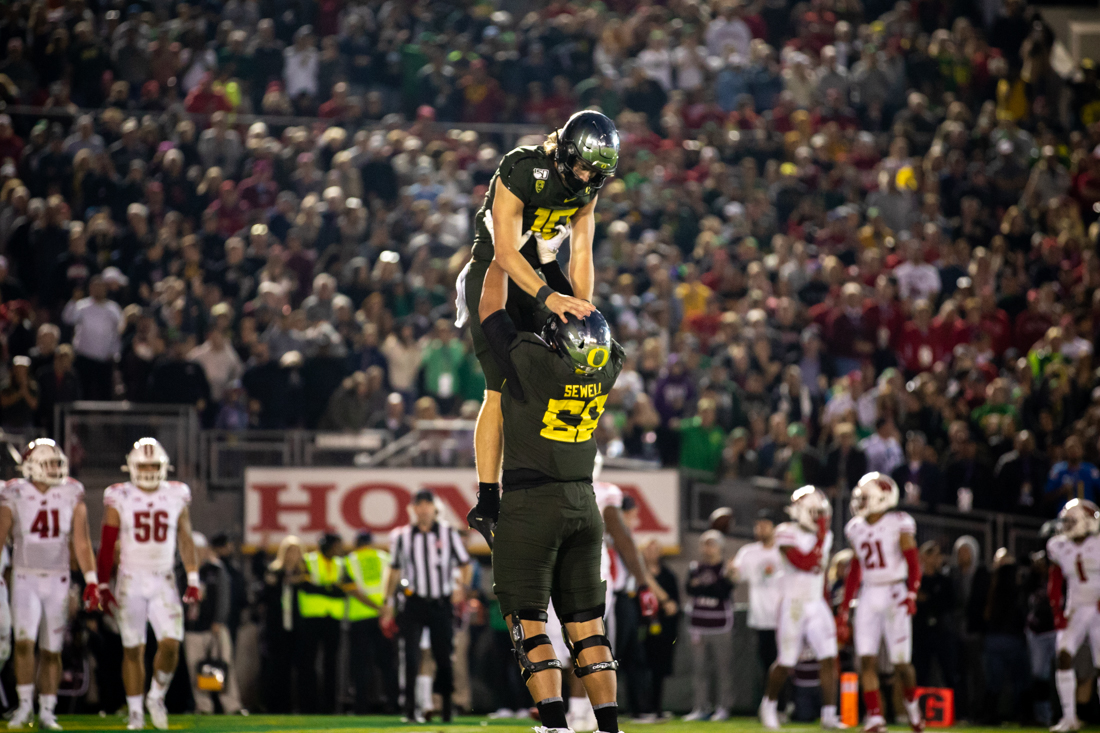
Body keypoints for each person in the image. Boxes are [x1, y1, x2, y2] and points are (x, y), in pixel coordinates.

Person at [473, 260, 624, 733]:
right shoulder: (608, 367)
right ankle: (609, 728)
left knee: (530, 624)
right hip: (584, 503)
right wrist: (554, 268)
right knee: (588, 627)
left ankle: (556, 726)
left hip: (532, 502)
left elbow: (489, 308)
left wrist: (504, 255)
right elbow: (588, 320)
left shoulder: (536, 364)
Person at [459, 111, 618, 549]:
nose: (586, 176)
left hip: (541, 275)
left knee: (557, 372)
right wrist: (550, 297)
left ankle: (542, 473)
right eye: (582, 165)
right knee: (498, 385)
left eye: (596, 171)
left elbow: (583, 247)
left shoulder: (588, 186)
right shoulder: (523, 167)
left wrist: (582, 303)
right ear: (565, 151)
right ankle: (488, 498)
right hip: (495, 273)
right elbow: (507, 253)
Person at [94, 438, 200, 731]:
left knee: (170, 644)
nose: (150, 470)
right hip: (131, 580)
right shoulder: (119, 495)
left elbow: (185, 537)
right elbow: (107, 543)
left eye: (155, 465)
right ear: (131, 467)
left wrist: (193, 577)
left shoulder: (177, 494)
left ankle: (156, 696)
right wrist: (102, 583)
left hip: (163, 578)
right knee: (133, 649)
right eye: (145, 465)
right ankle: (136, 711)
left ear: (164, 467)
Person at [0, 440, 96, 730]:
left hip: (58, 578)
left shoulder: (71, 492)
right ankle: (25, 705)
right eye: (49, 463)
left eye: (57, 463)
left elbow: (81, 541)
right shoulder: (14, 492)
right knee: (25, 643)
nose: (55, 468)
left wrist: (91, 580)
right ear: (32, 465)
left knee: (52, 648)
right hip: (25, 577)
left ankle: (47, 709)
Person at [836, 472, 923, 733]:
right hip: (869, 592)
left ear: (881, 497)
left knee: (901, 664)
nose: (860, 503)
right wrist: (844, 606)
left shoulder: (899, 522)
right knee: (866, 659)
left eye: (865, 498)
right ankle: (875, 717)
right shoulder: (856, 527)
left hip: (895, 591)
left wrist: (911, 593)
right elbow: (855, 569)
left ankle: (912, 709)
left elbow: (913, 562)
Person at [380, 491, 471, 723]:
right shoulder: (403, 536)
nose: (423, 509)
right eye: (418, 505)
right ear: (413, 509)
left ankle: (447, 709)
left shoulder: (447, 533)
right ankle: (410, 710)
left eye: (427, 504)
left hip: (440, 604)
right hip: (413, 603)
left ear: (434, 507)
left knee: (443, 657)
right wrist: (388, 602)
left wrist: (461, 588)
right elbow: (394, 569)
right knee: (410, 657)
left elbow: (465, 564)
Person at [759, 487, 842, 730]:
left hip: (816, 602)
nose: (820, 518)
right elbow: (804, 562)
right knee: (786, 661)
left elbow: (821, 574)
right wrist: (821, 534)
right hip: (793, 604)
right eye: (816, 513)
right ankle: (769, 705)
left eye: (822, 513)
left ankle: (829, 714)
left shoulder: (824, 536)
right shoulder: (786, 532)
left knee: (828, 657)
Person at [1045, 499, 1100, 732]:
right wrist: (1058, 610)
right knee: (1063, 656)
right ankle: (1069, 718)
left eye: (1071, 521)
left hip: (1097, 608)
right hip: (1076, 609)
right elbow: (1055, 580)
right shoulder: (1059, 546)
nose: (1066, 526)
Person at [182, 532, 242, 715]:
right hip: (193, 627)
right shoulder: (181, 571)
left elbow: (224, 596)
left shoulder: (215, 569)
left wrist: (219, 620)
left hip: (214, 626)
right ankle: (204, 705)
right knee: (196, 668)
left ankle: (231, 705)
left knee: (224, 665)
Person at [684, 530, 735, 722]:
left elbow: (723, 591)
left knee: (723, 670)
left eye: (712, 544)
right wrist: (708, 587)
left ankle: (723, 707)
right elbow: (689, 588)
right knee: (699, 670)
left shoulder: (725, 568)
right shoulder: (695, 567)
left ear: (720, 547)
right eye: (705, 544)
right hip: (698, 624)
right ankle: (700, 707)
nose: (708, 548)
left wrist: (703, 587)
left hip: (720, 624)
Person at [344, 530, 397, 714]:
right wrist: (384, 607)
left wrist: (374, 607)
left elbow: (352, 589)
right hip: (385, 617)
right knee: (388, 664)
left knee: (361, 665)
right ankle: (393, 703)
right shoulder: (385, 557)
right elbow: (395, 581)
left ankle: (361, 706)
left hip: (360, 618)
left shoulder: (349, 560)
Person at [730, 509, 784, 683]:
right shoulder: (748, 552)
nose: (760, 529)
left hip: (783, 616)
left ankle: (786, 703)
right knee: (765, 661)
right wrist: (730, 571)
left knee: (785, 661)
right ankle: (770, 701)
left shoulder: (783, 551)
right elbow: (737, 577)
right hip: (761, 617)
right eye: (757, 525)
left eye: (764, 525)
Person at [296, 532, 346, 715]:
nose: (339, 550)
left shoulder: (341, 564)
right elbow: (305, 586)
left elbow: (343, 591)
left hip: (332, 619)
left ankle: (330, 706)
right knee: (308, 663)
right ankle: (307, 706)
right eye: (336, 546)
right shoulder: (309, 560)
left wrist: (322, 588)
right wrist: (330, 589)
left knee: (331, 664)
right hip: (311, 619)